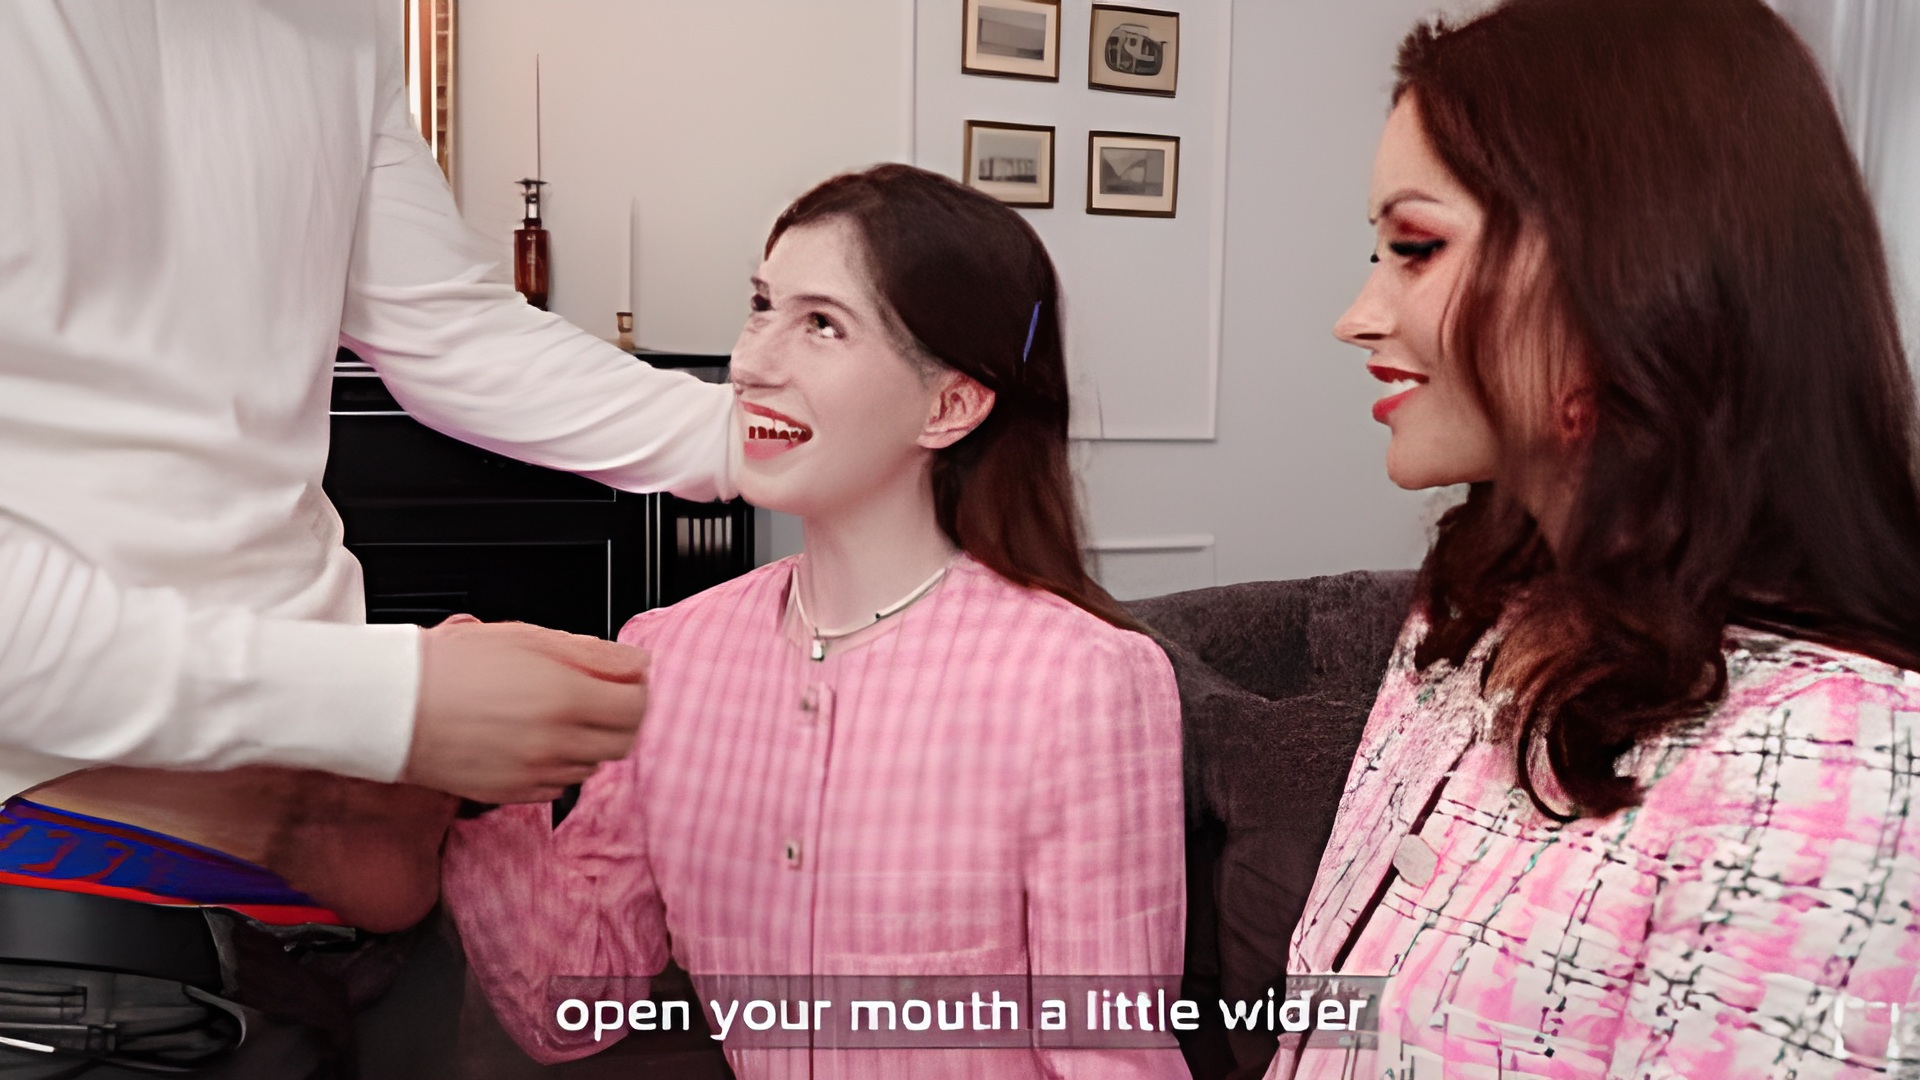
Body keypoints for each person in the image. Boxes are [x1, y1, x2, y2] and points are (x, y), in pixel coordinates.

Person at [0, 2, 736, 1074]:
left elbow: (448, 326)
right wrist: (399, 701)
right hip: (77, 915)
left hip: (350, 927)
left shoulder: (338, 23)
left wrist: (758, 438)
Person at [1273, 0, 1920, 1076]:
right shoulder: (1468, 614)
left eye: (1417, 248)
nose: (1359, 315)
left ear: (1622, 266)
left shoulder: (1839, 759)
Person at [443, 164, 1190, 1079]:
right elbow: (572, 1010)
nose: (751, 363)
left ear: (950, 405)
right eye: (762, 306)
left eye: (823, 324)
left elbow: (1111, 1059)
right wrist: (481, 777)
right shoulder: (669, 654)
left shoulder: (1081, 681)